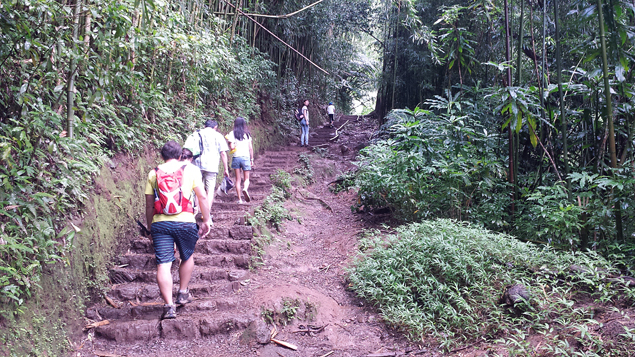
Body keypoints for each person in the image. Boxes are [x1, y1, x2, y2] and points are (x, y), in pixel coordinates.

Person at [144, 141, 212, 320]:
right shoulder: (191, 170)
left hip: (161, 224)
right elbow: (202, 196)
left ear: (161, 156)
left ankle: (168, 306)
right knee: (187, 256)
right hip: (185, 222)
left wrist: (151, 228)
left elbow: (149, 205)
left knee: (163, 264)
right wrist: (206, 220)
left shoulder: (154, 173)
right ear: (181, 156)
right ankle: (182, 293)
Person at [196, 120, 230, 214]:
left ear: (204, 125)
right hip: (212, 165)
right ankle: (205, 213)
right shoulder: (218, 135)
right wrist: (226, 169)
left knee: (197, 188)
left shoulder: (198, 134)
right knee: (210, 191)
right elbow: (223, 153)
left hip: (198, 165)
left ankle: (196, 211)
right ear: (215, 127)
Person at [225, 117, 254, 204]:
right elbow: (250, 148)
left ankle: (240, 199)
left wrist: (230, 142)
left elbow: (232, 147)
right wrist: (252, 159)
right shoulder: (247, 134)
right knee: (247, 178)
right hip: (246, 157)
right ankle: (245, 188)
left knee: (238, 179)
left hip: (236, 157)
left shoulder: (232, 133)